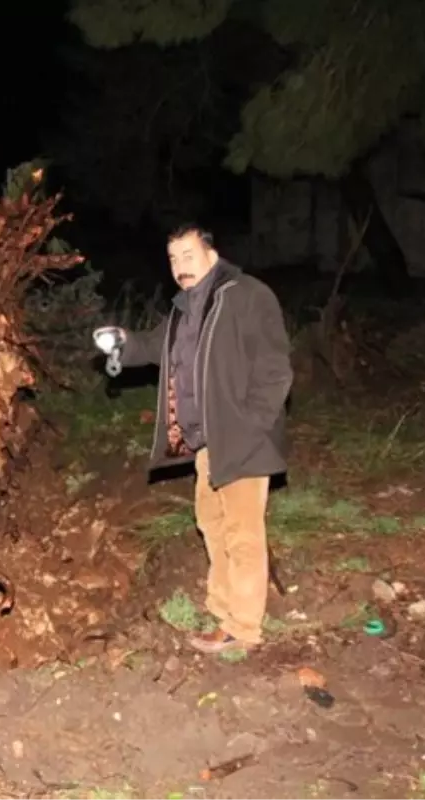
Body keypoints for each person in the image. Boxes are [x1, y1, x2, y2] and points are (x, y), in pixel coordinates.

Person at [93, 223, 293, 654]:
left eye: (188, 255)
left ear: (212, 254)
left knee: (241, 533)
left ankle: (243, 628)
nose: (180, 266)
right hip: (206, 443)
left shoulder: (246, 295)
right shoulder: (185, 309)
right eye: (173, 259)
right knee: (213, 526)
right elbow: (154, 347)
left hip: (242, 439)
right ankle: (224, 614)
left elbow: (275, 369)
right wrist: (122, 344)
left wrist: (251, 423)